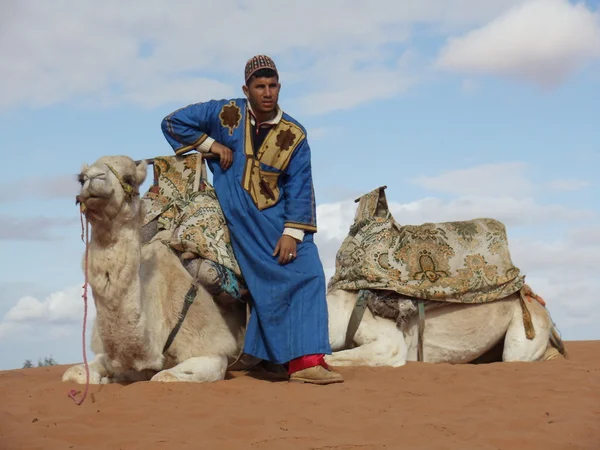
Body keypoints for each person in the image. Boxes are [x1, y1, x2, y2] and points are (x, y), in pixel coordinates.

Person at [160, 55, 343, 385]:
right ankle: (304, 364)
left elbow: (301, 186)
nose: (267, 92)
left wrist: (292, 233)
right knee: (292, 276)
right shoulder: (225, 113)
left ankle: (282, 359)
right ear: (247, 89)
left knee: (309, 268)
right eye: (260, 86)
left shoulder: (295, 134)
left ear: (280, 87)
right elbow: (172, 122)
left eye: (273, 86)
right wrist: (212, 144)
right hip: (243, 219)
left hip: (279, 220)